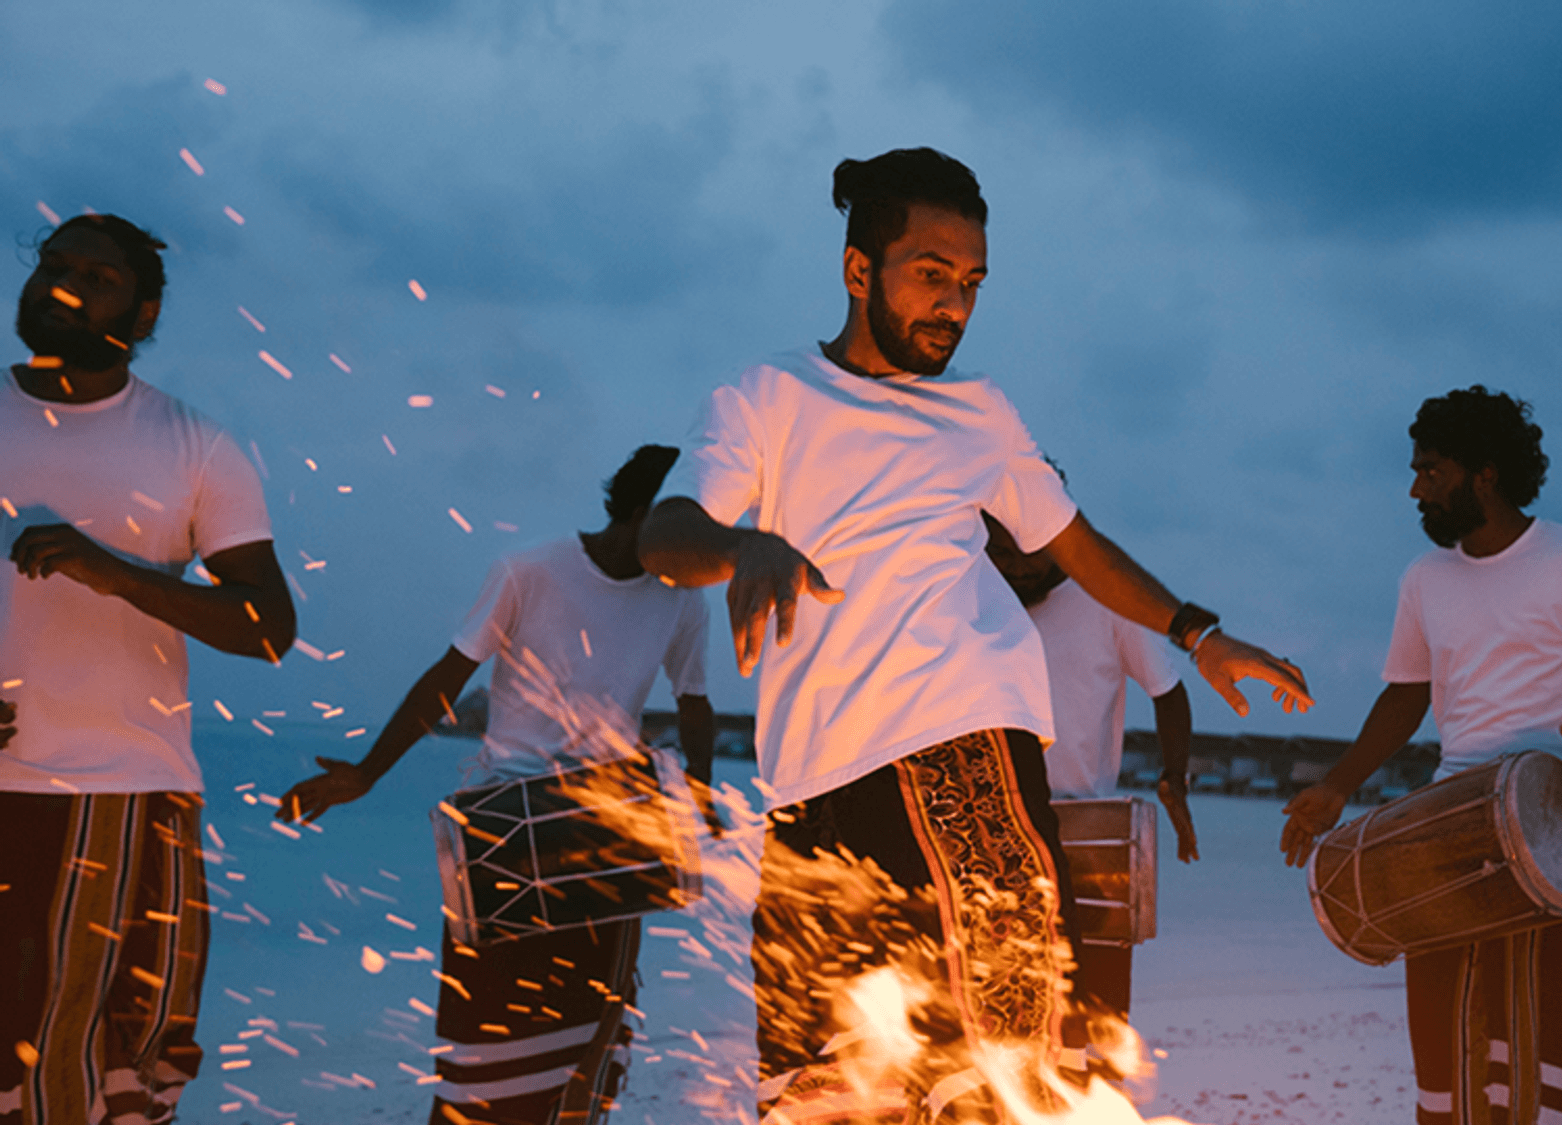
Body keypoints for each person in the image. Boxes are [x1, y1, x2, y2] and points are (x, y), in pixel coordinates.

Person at [638, 146, 1311, 1121]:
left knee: (991, 1084)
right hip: (809, 796)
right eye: (930, 274)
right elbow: (665, 535)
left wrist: (1195, 632)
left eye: (971, 283)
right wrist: (741, 546)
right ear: (857, 270)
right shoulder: (767, 397)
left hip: (960, 758)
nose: (953, 304)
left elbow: (1074, 544)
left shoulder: (979, 411)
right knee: (816, 1100)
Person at [279, 445, 713, 1125]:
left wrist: (699, 804)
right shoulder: (529, 570)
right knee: (481, 1056)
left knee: (587, 1055)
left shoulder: (683, 601)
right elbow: (447, 678)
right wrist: (368, 771)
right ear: (641, 512)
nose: (693, 548)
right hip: (502, 833)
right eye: (682, 525)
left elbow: (695, 704)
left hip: (608, 836)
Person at [1280, 386, 1562, 1125]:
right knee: (1448, 1037)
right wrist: (1337, 785)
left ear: (1485, 474)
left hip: (1560, 821)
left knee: (1552, 1034)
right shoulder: (1424, 579)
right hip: (1450, 822)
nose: (1415, 488)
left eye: (1431, 470)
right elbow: (1406, 696)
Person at [0, 214, 296, 1125]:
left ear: (145, 313)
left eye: (98, 277)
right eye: (53, 265)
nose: (65, 284)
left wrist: (115, 572)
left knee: (108, 1073)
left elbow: (269, 627)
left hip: (125, 796)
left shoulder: (194, 446)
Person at [982, 509, 1196, 1021]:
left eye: (1027, 554)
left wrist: (1175, 780)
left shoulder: (1107, 597)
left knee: (1095, 1014)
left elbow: (1167, 691)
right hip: (993, 828)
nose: (1016, 569)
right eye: (1001, 555)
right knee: (999, 1010)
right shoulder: (976, 595)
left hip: (1083, 831)